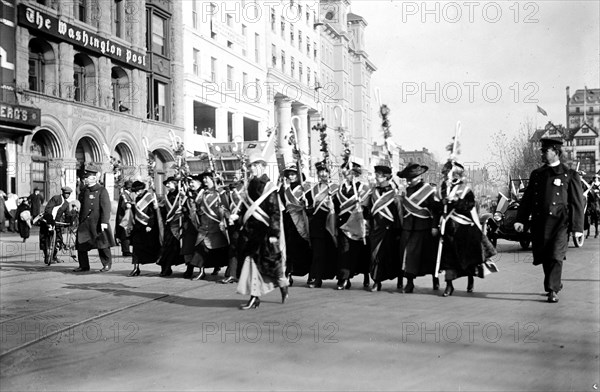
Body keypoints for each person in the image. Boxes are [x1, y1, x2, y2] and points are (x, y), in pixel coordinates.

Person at [514, 138, 584, 303]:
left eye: (545, 150)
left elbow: (576, 203)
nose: (542, 153)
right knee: (546, 256)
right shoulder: (537, 174)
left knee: (555, 255)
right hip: (540, 223)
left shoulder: (570, 174)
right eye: (542, 150)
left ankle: (552, 290)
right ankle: (555, 284)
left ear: (556, 152)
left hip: (561, 223)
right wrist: (521, 219)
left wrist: (577, 227)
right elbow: (528, 199)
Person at [236, 153, 289, 310]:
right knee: (252, 265)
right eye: (251, 166)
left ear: (261, 166)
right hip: (251, 232)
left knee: (271, 264)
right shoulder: (249, 185)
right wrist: (237, 217)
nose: (252, 168)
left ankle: (283, 285)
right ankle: (254, 298)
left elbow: (274, 212)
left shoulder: (269, 186)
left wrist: (274, 234)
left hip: (266, 232)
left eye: (254, 165)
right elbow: (245, 208)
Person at [438, 161, 487, 297]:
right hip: (448, 229)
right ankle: (449, 285)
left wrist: (454, 202)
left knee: (467, 259)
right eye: (445, 173)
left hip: (463, 229)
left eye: (447, 173)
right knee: (448, 259)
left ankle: (470, 280)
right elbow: (438, 208)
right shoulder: (443, 189)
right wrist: (442, 203)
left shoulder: (465, 190)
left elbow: (469, 205)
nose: (445, 175)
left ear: (455, 174)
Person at [397, 163, 440, 293]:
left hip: (424, 227)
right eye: (407, 179)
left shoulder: (428, 190)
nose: (408, 181)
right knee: (407, 254)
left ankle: (435, 278)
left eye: (411, 178)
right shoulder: (406, 190)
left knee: (428, 256)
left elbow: (435, 210)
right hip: (408, 227)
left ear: (419, 177)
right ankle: (409, 283)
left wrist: (434, 226)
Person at [186, 170, 230, 281]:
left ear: (213, 179)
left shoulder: (221, 193)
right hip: (204, 226)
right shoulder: (202, 193)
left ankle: (227, 269)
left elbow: (226, 208)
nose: (205, 180)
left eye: (207, 178)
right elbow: (197, 207)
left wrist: (223, 215)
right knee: (200, 248)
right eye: (204, 178)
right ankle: (201, 271)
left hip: (217, 226)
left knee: (220, 249)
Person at [333, 161, 371, 290]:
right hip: (344, 224)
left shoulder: (362, 188)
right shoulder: (340, 189)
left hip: (357, 224)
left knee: (359, 252)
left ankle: (366, 275)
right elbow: (337, 206)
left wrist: (362, 209)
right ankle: (344, 278)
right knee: (344, 251)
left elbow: (367, 206)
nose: (345, 174)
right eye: (344, 171)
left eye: (347, 171)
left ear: (354, 173)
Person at [304, 161, 338, 288]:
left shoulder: (335, 189)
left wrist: (332, 207)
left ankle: (342, 278)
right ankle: (316, 278)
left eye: (325, 171)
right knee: (317, 253)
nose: (323, 174)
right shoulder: (313, 190)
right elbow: (308, 207)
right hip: (317, 226)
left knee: (331, 252)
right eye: (320, 172)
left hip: (330, 225)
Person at [74, 169, 115, 273]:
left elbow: (106, 207)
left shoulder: (102, 190)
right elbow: (81, 206)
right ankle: (83, 266)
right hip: (85, 223)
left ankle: (106, 264)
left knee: (103, 245)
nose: (85, 180)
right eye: (85, 178)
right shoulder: (83, 191)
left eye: (87, 178)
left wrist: (104, 221)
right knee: (81, 245)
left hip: (97, 223)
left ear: (94, 178)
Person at [278, 165, 312, 286]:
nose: (291, 177)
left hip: (301, 221)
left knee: (303, 247)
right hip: (288, 221)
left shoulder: (305, 188)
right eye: (289, 175)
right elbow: (280, 203)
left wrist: (305, 203)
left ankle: (310, 273)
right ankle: (289, 273)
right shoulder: (285, 189)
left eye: (293, 174)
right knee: (289, 249)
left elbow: (310, 203)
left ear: (298, 175)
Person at [129, 180, 161, 276]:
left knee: (152, 247)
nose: (137, 193)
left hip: (147, 227)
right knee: (136, 248)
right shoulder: (136, 198)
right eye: (135, 191)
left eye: (138, 190)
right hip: (137, 227)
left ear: (142, 189)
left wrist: (149, 225)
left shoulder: (149, 197)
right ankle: (136, 268)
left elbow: (152, 213)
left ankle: (162, 266)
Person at [157, 176, 186, 276]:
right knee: (167, 247)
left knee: (176, 247)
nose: (167, 185)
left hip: (179, 225)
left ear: (175, 183)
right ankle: (166, 267)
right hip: (169, 225)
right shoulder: (167, 196)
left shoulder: (181, 195)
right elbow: (164, 210)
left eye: (169, 183)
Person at [39, 186, 73, 264]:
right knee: (45, 239)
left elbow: (67, 214)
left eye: (69, 194)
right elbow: (48, 208)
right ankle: (47, 257)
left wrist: (69, 222)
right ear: (63, 192)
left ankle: (54, 256)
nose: (67, 195)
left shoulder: (66, 204)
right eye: (66, 193)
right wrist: (50, 219)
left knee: (59, 240)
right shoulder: (56, 198)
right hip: (47, 220)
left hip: (57, 223)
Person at [115, 180, 134, 257]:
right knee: (125, 234)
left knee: (127, 233)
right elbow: (126, 205)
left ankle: (127, 250)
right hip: (124, 218)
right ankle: (125, 250)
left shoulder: (127, 194)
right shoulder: (124, 195)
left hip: (127, 217)